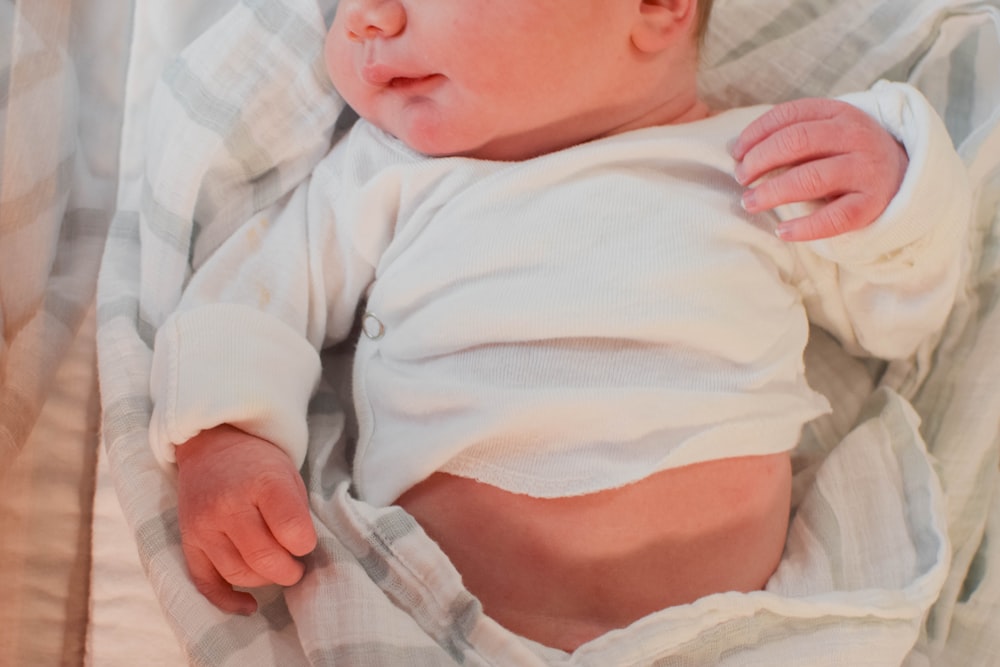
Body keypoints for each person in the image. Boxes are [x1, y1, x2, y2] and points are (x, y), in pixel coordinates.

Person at [149, 0, 970, 652]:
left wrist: (893, 193)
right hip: (437, 623)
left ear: (655, 6)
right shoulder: (385, 174)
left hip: (742, 634)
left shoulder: (756, 158)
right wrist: (226, 439)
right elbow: (253, 293)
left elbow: (895, 318)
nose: (367, 18)